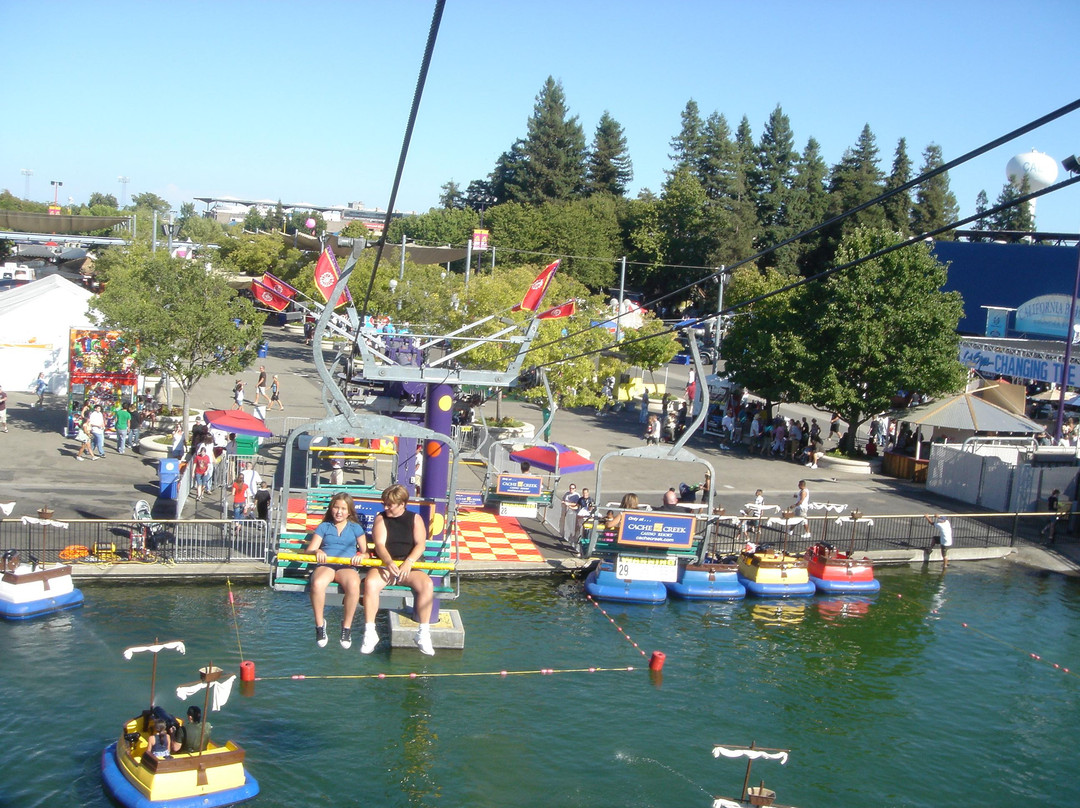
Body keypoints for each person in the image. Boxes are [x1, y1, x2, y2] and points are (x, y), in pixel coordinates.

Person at [361, 485, 435, 656]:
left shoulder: (415, 519)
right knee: (370, 583)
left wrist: (408, 562)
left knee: (427, 585)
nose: (386, 508)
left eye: (390, 505)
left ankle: (423, 633)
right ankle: (370, 632)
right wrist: (388, 562)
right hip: (386, 564)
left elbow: (420, 545)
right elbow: (380, 544)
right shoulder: (381, 518)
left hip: (409, 565)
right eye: (384, 504)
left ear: (402, 504)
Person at [307, 492, 368, 649]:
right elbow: (311, 549)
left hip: (346, 566)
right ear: (331, 509)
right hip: (327, 565)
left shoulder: (355, 528)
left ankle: (346, 627)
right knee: (318, 583)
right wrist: (317, 551)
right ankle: (320, 625)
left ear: (349, 512)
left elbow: (366, 552)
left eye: (343, 509)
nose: (339, 512)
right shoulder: (324, 527)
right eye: (336, 507)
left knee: (354, 584)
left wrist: (362, 556)